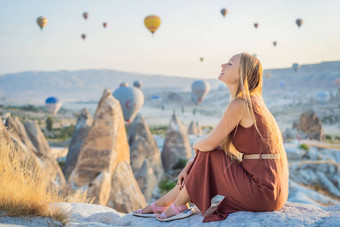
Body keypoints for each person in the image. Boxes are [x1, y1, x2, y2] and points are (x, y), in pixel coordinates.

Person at [133, 52, 289, 223]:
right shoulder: (251, 102)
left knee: (208, 150)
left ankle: (177, 203)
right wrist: (191, 164)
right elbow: (218, 146)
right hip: (272, 190)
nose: (222, 65)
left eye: (229, 64)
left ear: (242, 73)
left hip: (263, 191)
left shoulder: (241, 103)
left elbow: (209, 144)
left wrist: (195, 145)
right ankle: (166, 202)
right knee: (209, 152)